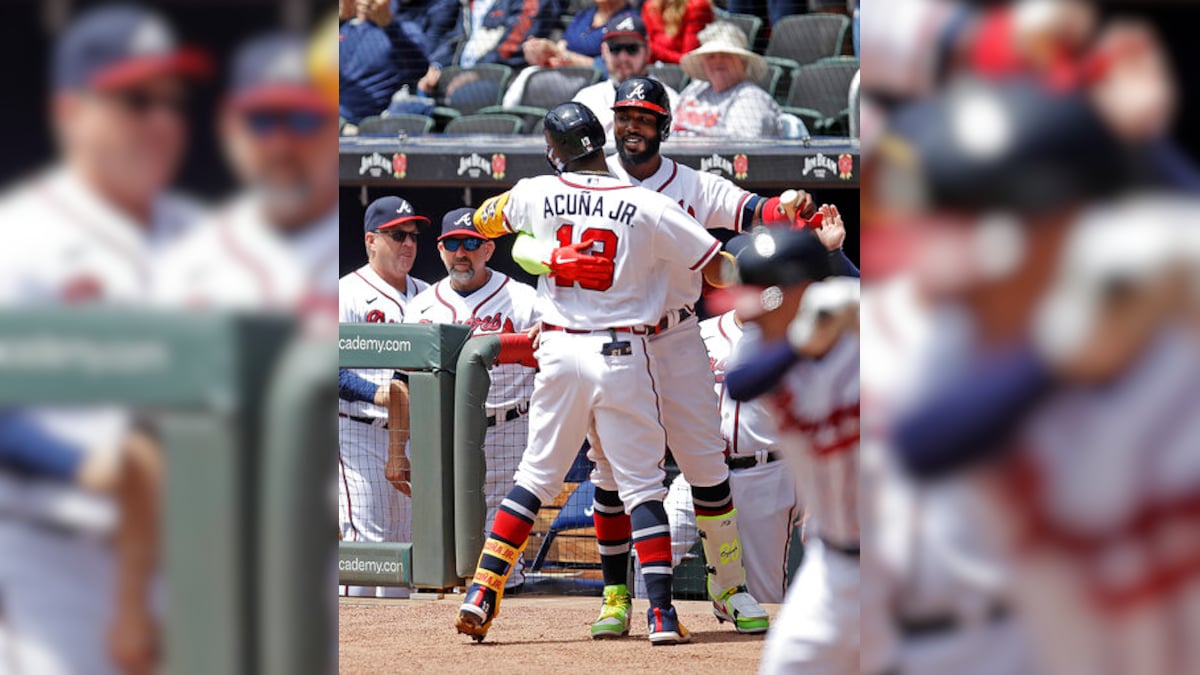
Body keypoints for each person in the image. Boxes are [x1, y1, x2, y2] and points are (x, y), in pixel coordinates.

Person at [522, 77, 853, 638]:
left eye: (645, 118)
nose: (632, 127)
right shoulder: (585, 180)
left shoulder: (692, 184)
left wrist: (789, 205)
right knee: (611, 475)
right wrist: (552, 257)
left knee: (704, 462)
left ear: (664, 128)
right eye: (624, 117)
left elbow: (756, 209)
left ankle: (729, 588)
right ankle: (615, 596)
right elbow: (519, 239)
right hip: (608, 339)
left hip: (674, 338)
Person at [455, 102, 729, 645]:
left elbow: (480, 220)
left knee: (535, 477)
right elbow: (718, 265)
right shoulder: (646, 202)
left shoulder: (535, 191)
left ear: (555, 152)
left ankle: (482, 592)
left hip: (558, 350)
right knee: (641, 484)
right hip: (623, 352)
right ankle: (661, 616)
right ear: (602, 143)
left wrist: (543, 250)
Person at [0, 5, 208, 673]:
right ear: (70, 111)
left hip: (190, 552)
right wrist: (79, 463)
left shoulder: (202, 234)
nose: (160, 121)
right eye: (135, 100)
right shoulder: (20, 237)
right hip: (53, 553)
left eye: (171, 103)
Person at [724, 227, 861, 675]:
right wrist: (805, 337)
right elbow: (741, 383)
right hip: (834, 564)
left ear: (801, 291)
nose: (753, 310)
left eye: (764, 295)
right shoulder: (766, 356)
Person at [157, 31, 340, 315]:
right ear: (227, 128)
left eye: (304, 120)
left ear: (333, 130)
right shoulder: (186, 269)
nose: (281, 146)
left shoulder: (360, 254)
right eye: (261, 121)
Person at [403, 208, 538, 589]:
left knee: (502, 520)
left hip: (507, 427)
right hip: (439, 431)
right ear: (441, 250)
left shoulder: (522, 299)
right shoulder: (421, 306)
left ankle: (502, 595)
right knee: (438, 526)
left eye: (471, 243)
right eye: (452, 244)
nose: (461, 252)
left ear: (489, 249)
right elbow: (403, 381)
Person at [336, 196, 431, 597]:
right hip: (357, 431)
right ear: (371, 241)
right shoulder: (346, 293)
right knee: (366, 542)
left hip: (415, 437)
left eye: (412, 235)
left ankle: (394, 653)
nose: (407, 243)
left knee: (406, 546)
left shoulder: (429, 295)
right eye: (397, 235)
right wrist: (376, 393)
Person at [573, 14, 681, 148]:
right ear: (604, 51)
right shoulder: (586, 100)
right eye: (615, 48)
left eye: (632, 49)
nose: (623, 57)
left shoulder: (670, 100)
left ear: (648, 50)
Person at [674, 21, 782, 138]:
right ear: (703, 64)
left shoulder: (751, 98)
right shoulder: (694, 90)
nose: (718, 61)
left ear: (743, 63)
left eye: (726, 55)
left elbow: (744, 149)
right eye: (710, 56)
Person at [338, 0, 430, 123]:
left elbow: (419, 69)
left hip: (361, 126)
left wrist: (388, 25)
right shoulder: (345, 29)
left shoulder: (405, 31)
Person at [523, 0, 634, 71]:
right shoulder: (585, 15)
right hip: (563, 76)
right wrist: (542, 51)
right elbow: (563, 44)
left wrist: (559, 53)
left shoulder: (629, 21)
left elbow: (607, 68)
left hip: (594, 86)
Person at [643, 0, 714, 64]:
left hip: (688, 73)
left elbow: (690, 60)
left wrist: (654, 50)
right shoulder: (649, 6)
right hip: (658, 71)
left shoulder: (697, 6)